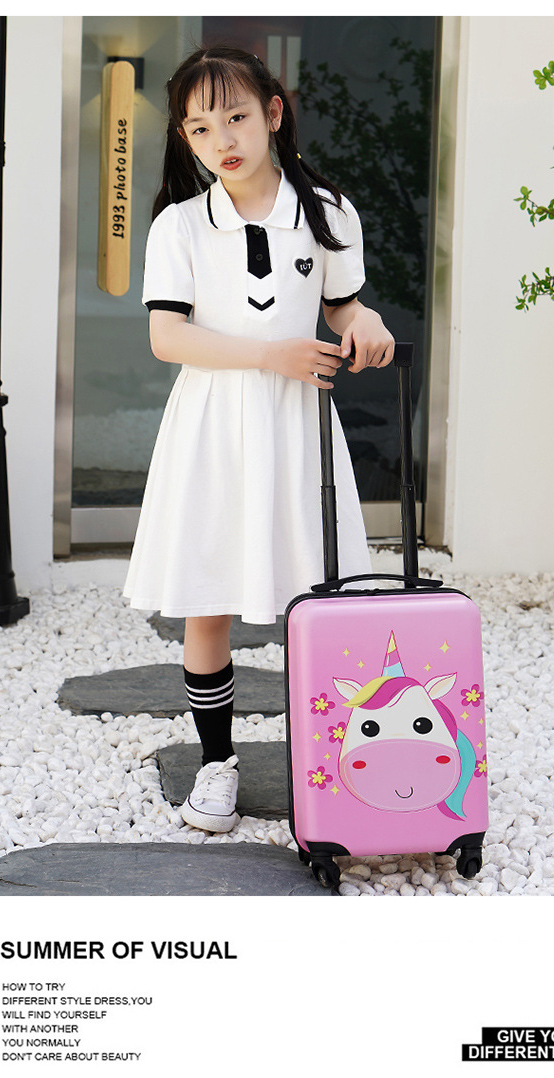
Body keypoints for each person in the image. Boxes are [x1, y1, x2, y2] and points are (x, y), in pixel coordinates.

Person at [123, 45, 394, 834]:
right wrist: (269, 354)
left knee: (319, 594)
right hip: (212, 426)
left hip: (298, 425)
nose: (223, 141)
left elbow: (341, 304)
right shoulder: (179, 225)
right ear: (185, 137)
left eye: (236, 117)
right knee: (209, 600)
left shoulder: (328, 210)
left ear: (273, 113)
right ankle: (217, 764)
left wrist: (365, 319)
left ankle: (337, 759)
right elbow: (167, 337)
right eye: (201, 128)